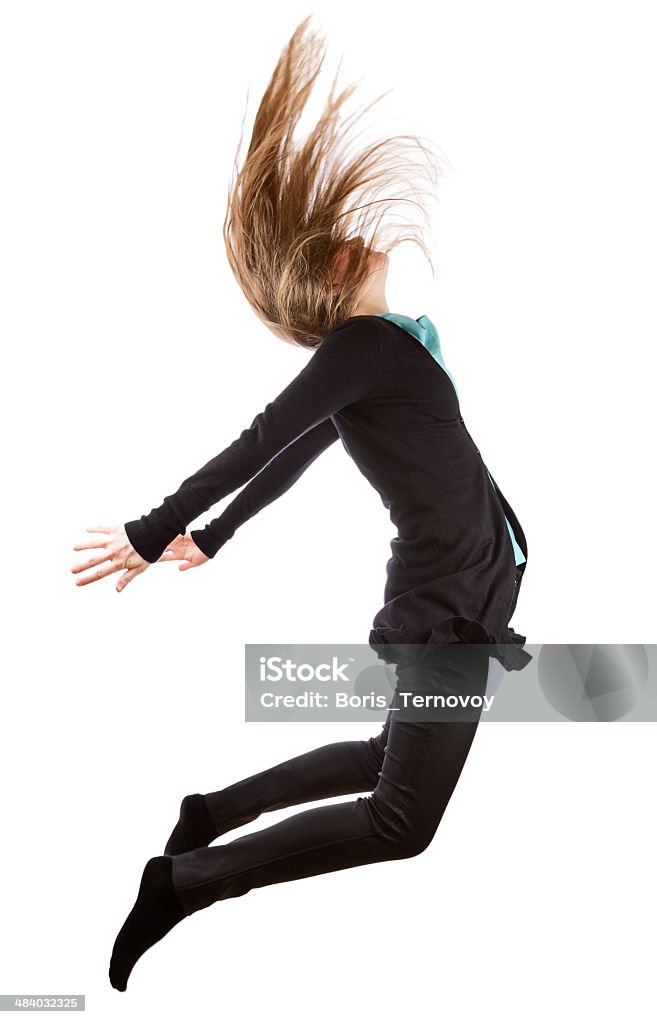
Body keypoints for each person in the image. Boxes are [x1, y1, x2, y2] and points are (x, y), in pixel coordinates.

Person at [71, 15, 530, 992]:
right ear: (330, 273)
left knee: (382, 759)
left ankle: (205, 813)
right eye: (349, 241)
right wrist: (159, 530)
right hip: (449, 605)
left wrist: (220, 533)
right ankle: (186, 880)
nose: (366, 237)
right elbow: (262, 438)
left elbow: (298, 456)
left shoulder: (386, 352)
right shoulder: (361, 351)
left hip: (470, 600)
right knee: (402, 822)